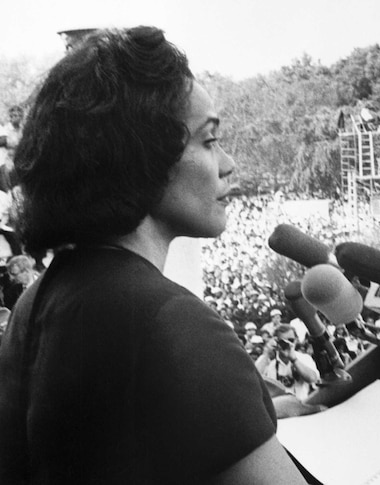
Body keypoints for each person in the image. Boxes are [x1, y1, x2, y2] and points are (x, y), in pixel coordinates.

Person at [0, 27, 308, 483]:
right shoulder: (172, 323)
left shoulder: (39, 301)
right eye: (208, 141)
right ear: (142, 158)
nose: (228, 164)